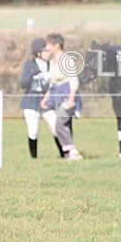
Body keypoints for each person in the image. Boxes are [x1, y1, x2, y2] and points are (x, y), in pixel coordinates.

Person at [19, 38, 66, 158]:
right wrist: (32, 74)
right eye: (44, 51)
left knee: (55, 127)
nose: (47, 53)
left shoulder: (51, 64)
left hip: (47, 102)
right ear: (38, 53)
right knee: (33, 130)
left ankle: (63, 154)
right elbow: (23, 84)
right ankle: (34, 157)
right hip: (31, 102)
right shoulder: (30, 65)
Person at [41, 33, 83, 161]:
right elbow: (53, 83)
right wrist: (46, 98)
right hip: (56, 95)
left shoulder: (66, 59)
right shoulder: (53, 60)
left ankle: (73, 152)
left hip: (67, 95)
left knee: (59, 123)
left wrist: (71, 100)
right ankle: (69, 152)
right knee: (61, 124)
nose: (46, 47)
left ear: (57, 45)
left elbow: (74, 80)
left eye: (48, 45)